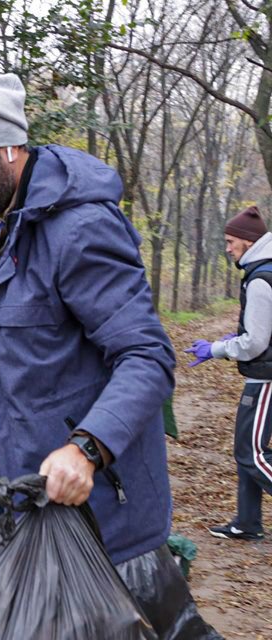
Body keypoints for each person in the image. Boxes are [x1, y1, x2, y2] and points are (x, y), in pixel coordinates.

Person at [0, 73, 216, 639]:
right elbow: (0, 319)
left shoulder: (81, 227)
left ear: (10, 147)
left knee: (98, 620)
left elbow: (146, 356)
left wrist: (86, 449)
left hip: (72, 467)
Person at [185, 206, 272, 541]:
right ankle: (247, 522)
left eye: (231, 240)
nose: (227, 247)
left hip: (265, 381)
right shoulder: (261, 271)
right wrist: (229, 340)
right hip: (263, 375)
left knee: (251, 453)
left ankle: (248, 523)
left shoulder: (261, 279)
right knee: (248, 449)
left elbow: (255, 343)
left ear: (249, 242)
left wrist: (217, 349)